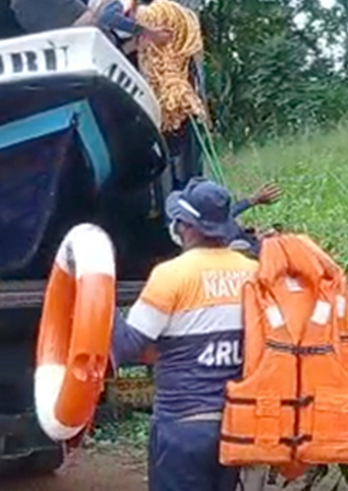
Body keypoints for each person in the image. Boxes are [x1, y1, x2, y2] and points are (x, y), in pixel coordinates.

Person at [111, 176, 260, 491]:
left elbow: (126, 347)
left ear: (188, 227)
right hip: (239, 429)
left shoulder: (171, 276)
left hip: (183, 429)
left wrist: (98, 297)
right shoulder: (254, 272)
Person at [10, 0, 172, 52]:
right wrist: (145, 31)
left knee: (95, 42)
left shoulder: (114, 25)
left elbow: (106, 49)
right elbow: (106, 18)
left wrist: (132, 45)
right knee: (92, 30)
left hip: (21, 4)